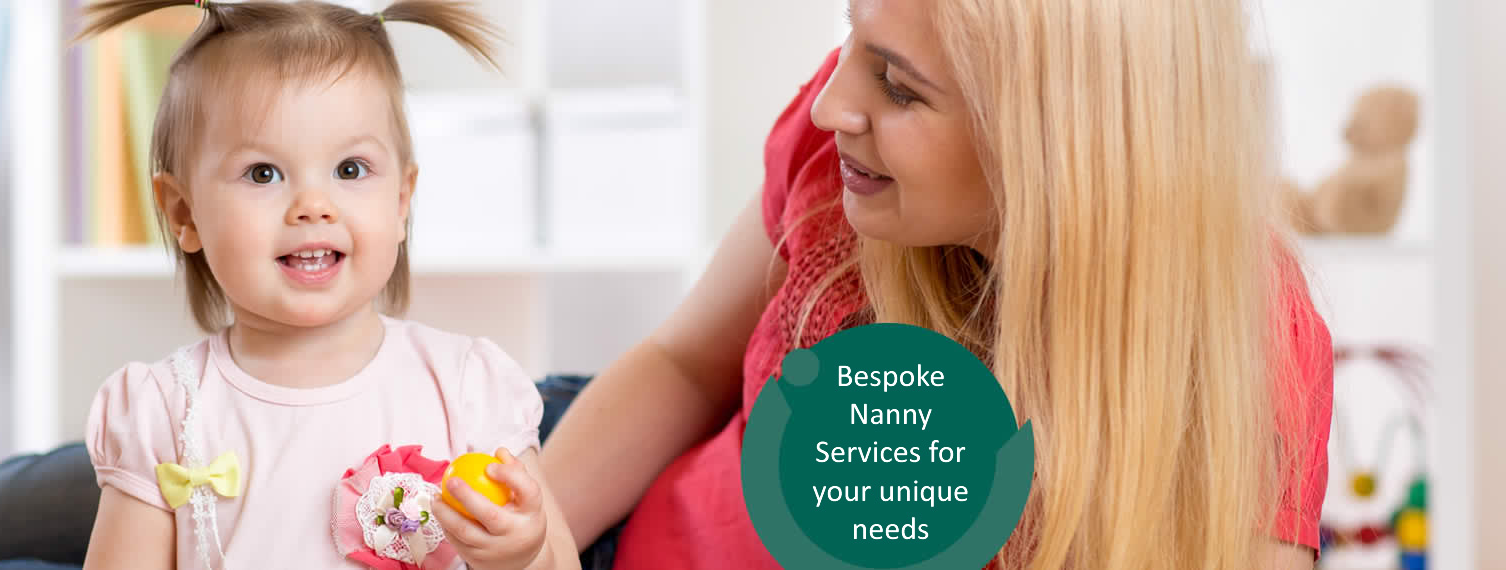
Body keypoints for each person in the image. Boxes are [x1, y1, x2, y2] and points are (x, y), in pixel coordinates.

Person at [542, 0, 1334, 568]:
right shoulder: (850, 160)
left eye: (898, 86)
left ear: (1052, 147)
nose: (829, 105)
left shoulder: (1249, 350)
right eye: (852, 36)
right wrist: (518, 543)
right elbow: (684, 365)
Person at [75, 2, 578, 568]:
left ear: (401, 200)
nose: (313, 206)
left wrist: (523, 553)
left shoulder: (466, 389)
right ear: (184, 212)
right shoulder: (164, 411)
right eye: (263, 173)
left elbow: (559, 561)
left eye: (350, 170)